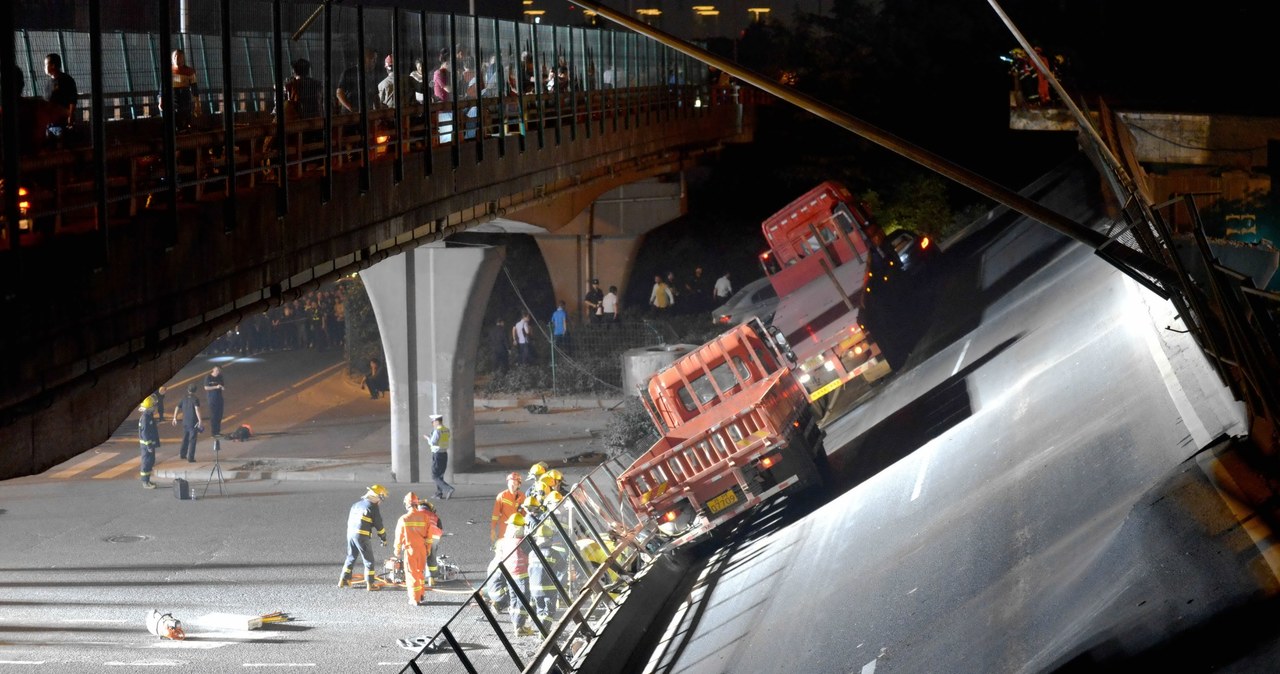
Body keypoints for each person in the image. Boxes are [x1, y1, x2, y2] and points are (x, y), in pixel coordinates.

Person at [484, 513, 535, 637]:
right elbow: (533, 554)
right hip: (522, 575)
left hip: (510, 575)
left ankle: (516, 626)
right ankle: (520, 627)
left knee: (514, 600)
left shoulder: (505, 541)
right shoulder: (522, 542)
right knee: (522, 601)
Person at [394, 492, 442, 606]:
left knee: (411, 574)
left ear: (407, 504)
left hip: (410, 549)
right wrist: (428, 548)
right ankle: (421, 595)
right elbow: (429, 536)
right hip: (422, 549)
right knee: (420, 573)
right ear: (417, 503)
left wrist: (397, 550)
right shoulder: (425, 517)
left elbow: (399, 536)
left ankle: (414, 599)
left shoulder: (404, 519)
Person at [338, 484, 389, 591]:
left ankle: (343, 579)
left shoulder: (356, 505)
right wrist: (383, 538)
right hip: (361, 536)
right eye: (381, 498)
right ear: (377, 496)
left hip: (351, 534)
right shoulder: (373, 507)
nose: (381, 502)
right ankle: (370, 584)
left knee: (351, 556)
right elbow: (379, 525)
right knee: (369, 560)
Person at [161, 49, 199, 131]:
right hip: (172, 97)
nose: (177, 59)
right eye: (175, 57)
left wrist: (197, 103)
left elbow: (194, 87)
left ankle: (184, 129)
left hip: (185, 98)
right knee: (175, 116)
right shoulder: (168, 72)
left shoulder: (190, 71)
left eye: (179, 57)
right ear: (172, 59)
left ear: (183, 58)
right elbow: (162, 87)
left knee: (185, 114)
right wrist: (161, 100)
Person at [43, 53, 77, 141]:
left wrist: (70, 115)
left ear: (53, 65)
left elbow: (72, 99)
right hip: (50, 123)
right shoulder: (48, 83)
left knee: (61, 143)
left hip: (62, 122)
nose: (44, 67)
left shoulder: (67, 80)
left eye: (46, 64)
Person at [336, 48, 379, 113]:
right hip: (350, 117)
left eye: (376, 59)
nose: (375, 62)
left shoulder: (372, 76)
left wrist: (377, 113)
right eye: (372, 59)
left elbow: (375, 97)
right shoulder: (349, 73)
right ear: (364, 59)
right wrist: (351, 108)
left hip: (366, 115)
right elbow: (339, 93)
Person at [424, 414, 454, 500]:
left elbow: (433, 442)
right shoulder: (446, 430)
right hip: (444, 453)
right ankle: (439, 493)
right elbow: (446, 438)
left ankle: (448, 489)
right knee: (440, 475)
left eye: (433, 422)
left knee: (434, 476)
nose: (432, 423)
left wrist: (427, 438)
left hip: (437, 454)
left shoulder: (437, 431)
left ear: (437, 421)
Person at [171, 383, 203, 463]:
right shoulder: (195, 399)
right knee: (192, 440)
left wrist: (174, 418)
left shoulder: (184, 398)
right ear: (195, 391)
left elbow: (177, 407)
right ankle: (190, 458)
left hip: (185, 422)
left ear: (188, 390)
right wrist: (200, 420)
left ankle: (182, 454)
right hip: (193, 422)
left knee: (185, 438)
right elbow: (197, 410)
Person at [491, 472, 525, 544]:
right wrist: (493, 528)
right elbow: (495, 514)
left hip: (518, 529)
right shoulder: (502, 496)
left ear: (519, 485)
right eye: (510, 484)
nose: (512, 486)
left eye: (514, 484)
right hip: (504, 528)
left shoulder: (522, 497)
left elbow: (525, 514)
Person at [137, 394, 161, 489]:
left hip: (149, 445)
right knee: (146, 462)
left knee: (150, 461)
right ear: (149, 407)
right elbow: (145, 434)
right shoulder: (145, 419)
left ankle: (147, 480)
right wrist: (149, 446)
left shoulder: (149, 416)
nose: (155, 407)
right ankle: (145, 482)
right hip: (147, 446)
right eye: (153, 405)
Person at [203, 366, 225, 437]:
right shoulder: (208, 377)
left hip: (219, 398)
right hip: (212, 399)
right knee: (213, 416)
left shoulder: (220, 377)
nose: (217, 372)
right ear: (213, 370)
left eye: (219, 371)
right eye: (216, 370)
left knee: (219, 415)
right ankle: (213, 432)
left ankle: (217, 432)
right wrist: (216, 387)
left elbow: (222, 385)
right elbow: (206, 387)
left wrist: (222, 387)